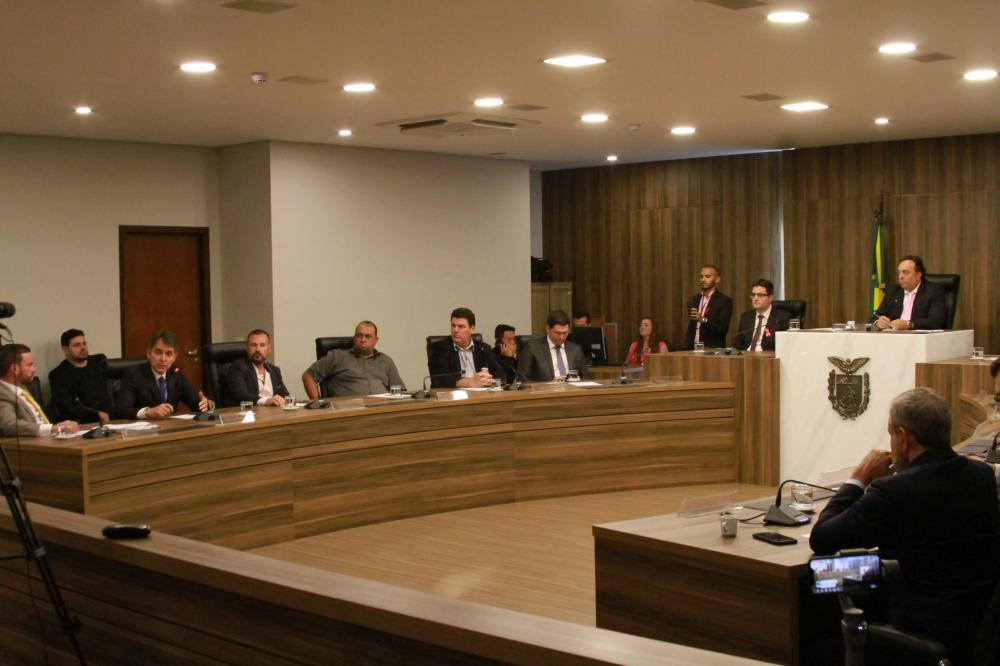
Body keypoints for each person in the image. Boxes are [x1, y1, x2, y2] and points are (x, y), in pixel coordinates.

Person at [809, 387, 1000, 664]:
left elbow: (823, 537)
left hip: (919, 634)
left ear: (903, 437)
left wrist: (858, 478)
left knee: (812, 642)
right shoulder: (981, 476)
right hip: (972, 631)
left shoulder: (894, 490)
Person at [116, 330, 213, 419]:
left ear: (175, 357)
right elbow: (122, 410)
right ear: (149, 353)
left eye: (169, 354)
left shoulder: (176, 373)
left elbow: (195, 401)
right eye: (158, 352)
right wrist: (147, 412)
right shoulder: (133, 374)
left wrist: (205, 403)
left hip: (169, 428)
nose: (163, 359)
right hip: (141, 429)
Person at [302, 321, 405, 398]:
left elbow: (400, 391)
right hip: (349, 412)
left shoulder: (386, 361)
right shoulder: (337, 357)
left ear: (376, 340)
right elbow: (308, 376)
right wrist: (317, 403)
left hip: (382, 410)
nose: (363, 340)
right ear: (354, 337)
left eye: (368, 336)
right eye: (359, 335)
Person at [0, 343, 79, 437]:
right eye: (30, 365)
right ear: (15, 369)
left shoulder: (22, 388)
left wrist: (58, 426)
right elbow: (10, 425)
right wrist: (53, 428)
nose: (33, 370)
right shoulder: (2, 394)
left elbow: (39, 422)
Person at [47, 328, 111, 423]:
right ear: (65, 350)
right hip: (81, 423)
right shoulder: (58, 375)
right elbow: (67, 407)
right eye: (77, 345)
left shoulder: (99, 363)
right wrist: (97, 415)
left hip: (110, 419)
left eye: (84, 344)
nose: (83, 348)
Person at [427, 308, 503, 388]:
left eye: (461, 326)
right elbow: (439, 379)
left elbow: (500, 374)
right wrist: (470, 382)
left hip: (482, 393)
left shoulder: (483, 348)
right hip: (453, 394)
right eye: (453, 325)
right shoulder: (438, 348)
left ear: (472, 328)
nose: (455, 330)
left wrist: (489, 380)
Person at [871, 255, 947, 331]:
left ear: (918, 275)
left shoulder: (933, 291)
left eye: (905, 272)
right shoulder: (893, 291)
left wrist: (908, 324)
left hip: (918, 336)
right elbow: (875, 317)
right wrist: (878, 322)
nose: (900, 276)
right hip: (893, 335)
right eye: (899, 272)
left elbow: (936, 321)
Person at [517, 310, 590, 381]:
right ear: (548, 329)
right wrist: (550, 384)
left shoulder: (575, 349)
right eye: (558, 333)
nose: (562, 337)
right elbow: (522, 379)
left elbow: (586, 377)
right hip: (546, 389)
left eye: (565, 333)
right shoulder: (532, 348)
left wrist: (579, 380)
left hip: (571, 388)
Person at [224, 329, 290, 407]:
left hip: (274, 413)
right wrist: (266, 401)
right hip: (249, 413)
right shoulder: (237, 368)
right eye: (254, 345)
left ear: (269, 349)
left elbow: (286, 396)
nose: (258, 349)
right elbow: (241, 396)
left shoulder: (275, 370)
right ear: (247, 348)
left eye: (262, 345)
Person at [731, 279, 791, 352]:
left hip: (768, 357)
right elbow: (737, 344)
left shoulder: (783, 318)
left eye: (760, 295)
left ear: (770, 298)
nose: (755, 299)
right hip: (746, 356)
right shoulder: (746, 317)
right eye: (753, 295)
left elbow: (785, 347)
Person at [684, 265, 733, 349]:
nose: (703, 279)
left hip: (712, 349)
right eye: (701, 276)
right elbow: (691, 327)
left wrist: (703, 319)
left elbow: (722, 329)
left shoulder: (724, 301)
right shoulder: (695, 299)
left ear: (717, 279)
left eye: (707, 276)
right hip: (692, 348)